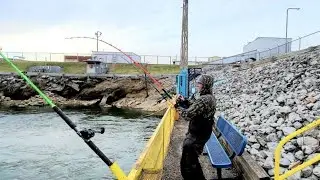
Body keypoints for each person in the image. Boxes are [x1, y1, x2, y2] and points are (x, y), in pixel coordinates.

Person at [176, 74, 216, 180]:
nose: (198, 85)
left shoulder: (204, 99)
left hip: (197, 136)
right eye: (198, 83)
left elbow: (187, 115)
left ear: (205, 85)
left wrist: (178, 106)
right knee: (192, 160)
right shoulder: (208, 97)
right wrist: (185, 101)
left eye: (200, 83)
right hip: (201, 133)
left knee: (187, 165)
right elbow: (196, 106)